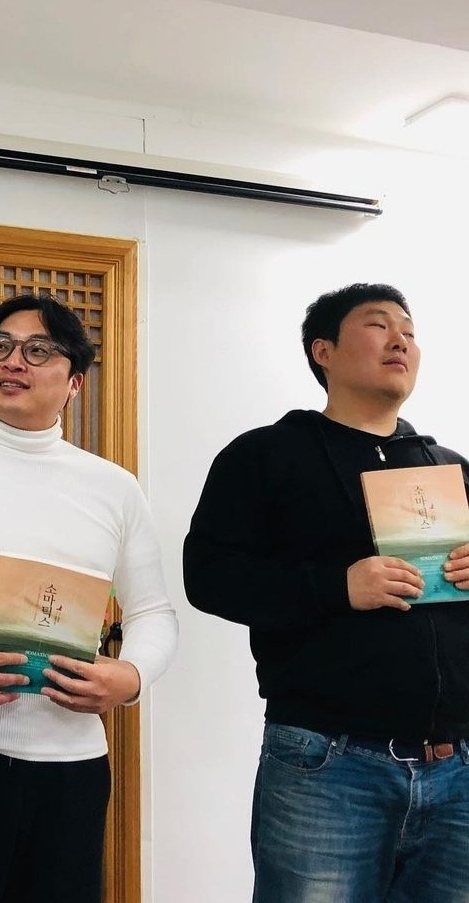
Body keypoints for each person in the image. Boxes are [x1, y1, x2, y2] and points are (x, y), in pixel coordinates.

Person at [184, 283, 469, 902]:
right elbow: (208, 576)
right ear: (324, 351)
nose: (400, 341)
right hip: (329, 763)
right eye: (379, 325)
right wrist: (338, 586)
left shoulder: (448, 468)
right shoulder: (265, 454)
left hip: (458, 766)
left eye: (410, 331)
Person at [0, 294, 178, 903]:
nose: (13, 360)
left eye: (39, 350)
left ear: (75, 382)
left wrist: (130, 677)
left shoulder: (115, 489)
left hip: (71, 767)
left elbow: (153, 612)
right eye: (0, 345)